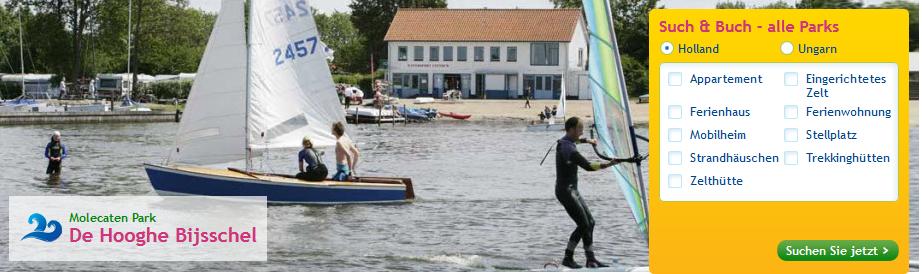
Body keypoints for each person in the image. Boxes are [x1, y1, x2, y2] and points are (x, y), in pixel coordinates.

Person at [555, 117, 626, 269]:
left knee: (590, 223)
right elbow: (587, 166)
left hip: (573, 190)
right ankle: (568, 257)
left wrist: (588, 141)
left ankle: (591, 259)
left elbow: (575, 141)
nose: (581, 132)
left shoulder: (567, 142)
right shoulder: (567, 148)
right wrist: (609, 164)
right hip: (565, 191)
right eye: (580, 130)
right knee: (583, 224)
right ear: (572, 129)